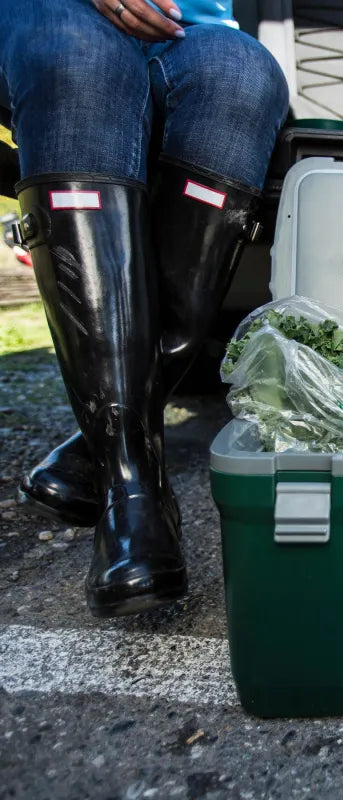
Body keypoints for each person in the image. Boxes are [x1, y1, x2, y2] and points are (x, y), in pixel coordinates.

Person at [0, 0, 289, 616]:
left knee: (245, 73)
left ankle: (102, 443)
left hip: (191, 26)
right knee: (77, 53)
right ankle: (135, 490)